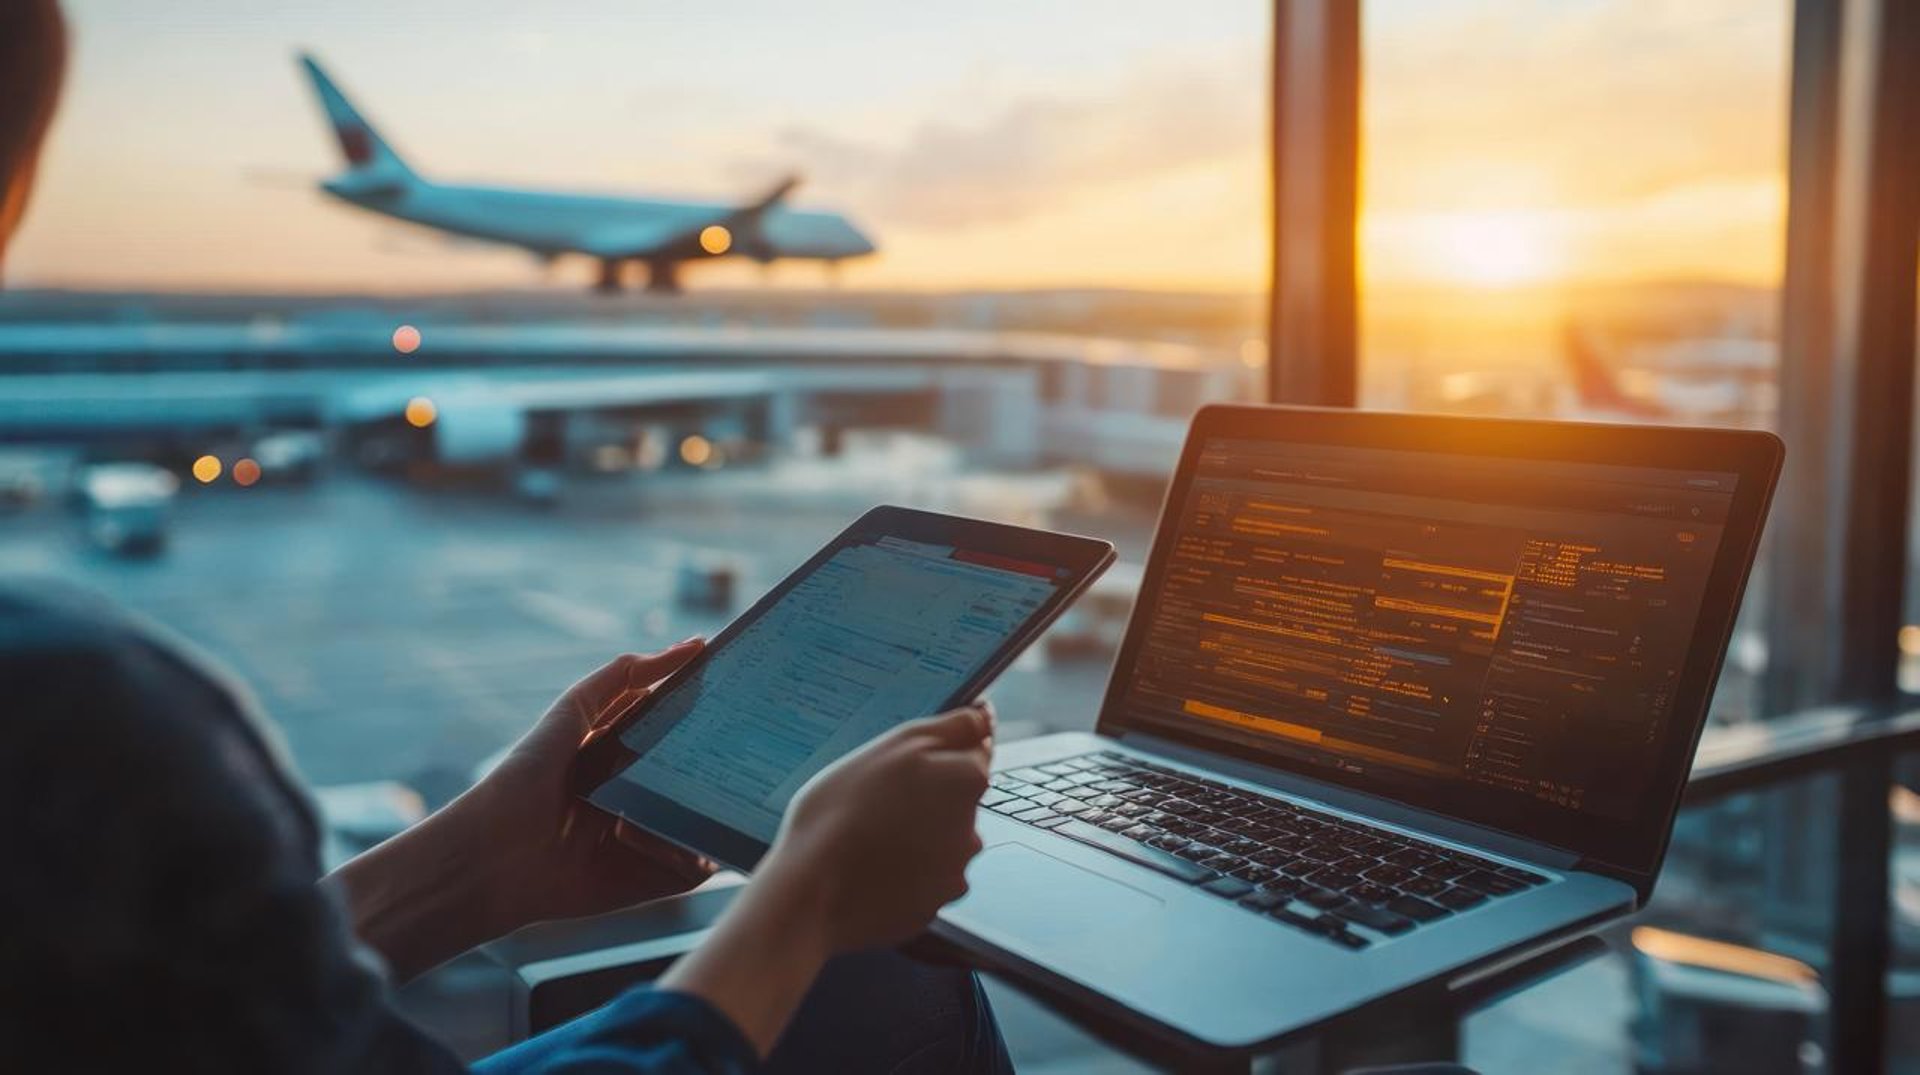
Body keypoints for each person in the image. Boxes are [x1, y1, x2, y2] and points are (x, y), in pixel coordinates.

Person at [0, 4, 1010, 1071]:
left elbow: (175, 1029)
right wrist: (807, 899)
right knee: (886, 974)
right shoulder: (72, 703)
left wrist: (480, 863)